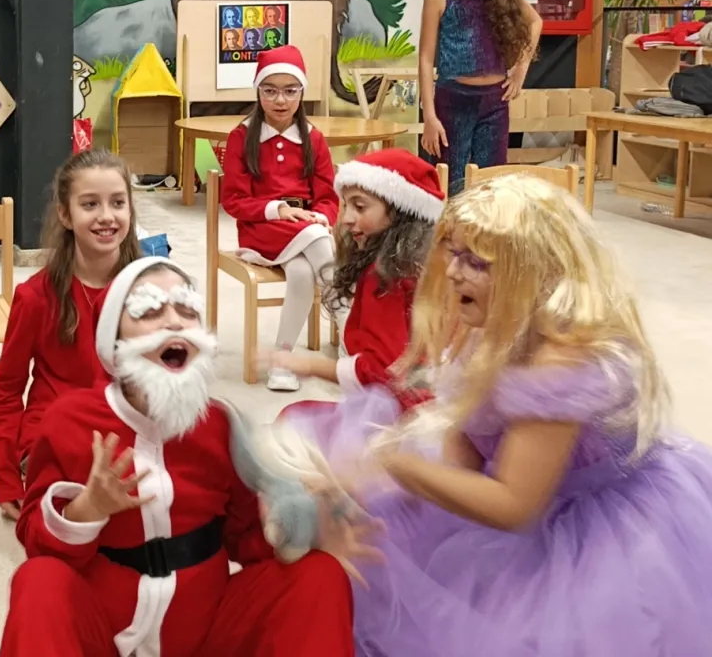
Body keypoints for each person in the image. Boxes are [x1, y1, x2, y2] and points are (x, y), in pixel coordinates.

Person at [297, 175, 712, 655]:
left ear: (532, 270)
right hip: (518, 491)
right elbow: (465, 448)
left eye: (477, 262)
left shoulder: (560, 361)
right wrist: (374, 481)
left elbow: (515, 506)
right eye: (453, 252)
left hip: (594, 524)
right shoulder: (487, 325)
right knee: (384, 533)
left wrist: (397, 464)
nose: (454, 272)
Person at [0, 256, 358, 657]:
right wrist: (86, 509)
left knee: (318, 575)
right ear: (114, 341)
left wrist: (301, 523)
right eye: (150, 311)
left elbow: (248, 544)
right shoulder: (69, 421)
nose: (173, 322)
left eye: (187, 310)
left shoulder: (219, 425)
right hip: (105, 633)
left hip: (204, 631)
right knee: (38, 580)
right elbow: (38, 543)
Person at [0, 148, 142, 520]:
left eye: (117, 202)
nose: (106, 216)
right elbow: (5, 391)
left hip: (126, 430)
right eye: (90, 204)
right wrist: (6, 479)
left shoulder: (151, 288)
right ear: (65, 214)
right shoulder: (35, 297)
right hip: (57, 436)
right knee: (77, 515)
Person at [270, 148, 440, 411]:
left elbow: (381, 370)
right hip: (429, 403)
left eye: (360, 207)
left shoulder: (384, 279)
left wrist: (311, 366)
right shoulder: (423, 265)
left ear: (400, 212)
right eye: (346, 205)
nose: (347, 219)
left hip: (398, 414)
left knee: (293, 417)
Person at [219, 45, 339, 392]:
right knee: (319, 240)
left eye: (290, 90)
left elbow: (328, 197)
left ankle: (282, 361)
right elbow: (234, 201)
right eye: (270, 90)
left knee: (302, 272)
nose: (280, 100)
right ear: (258, 92)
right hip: (261, 231)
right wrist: (279, 210)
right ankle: (352, 336)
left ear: (302, 92)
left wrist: (320, 216)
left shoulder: (313, 138)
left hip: (305, 228)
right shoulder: (242, 137)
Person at [419, 0, 542, 195]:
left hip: (495, 104)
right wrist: (429, 116)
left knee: (492, 183)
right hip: (452, 102)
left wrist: (520, 69)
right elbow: (426, 59)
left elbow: (535, 22)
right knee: (451, 181)